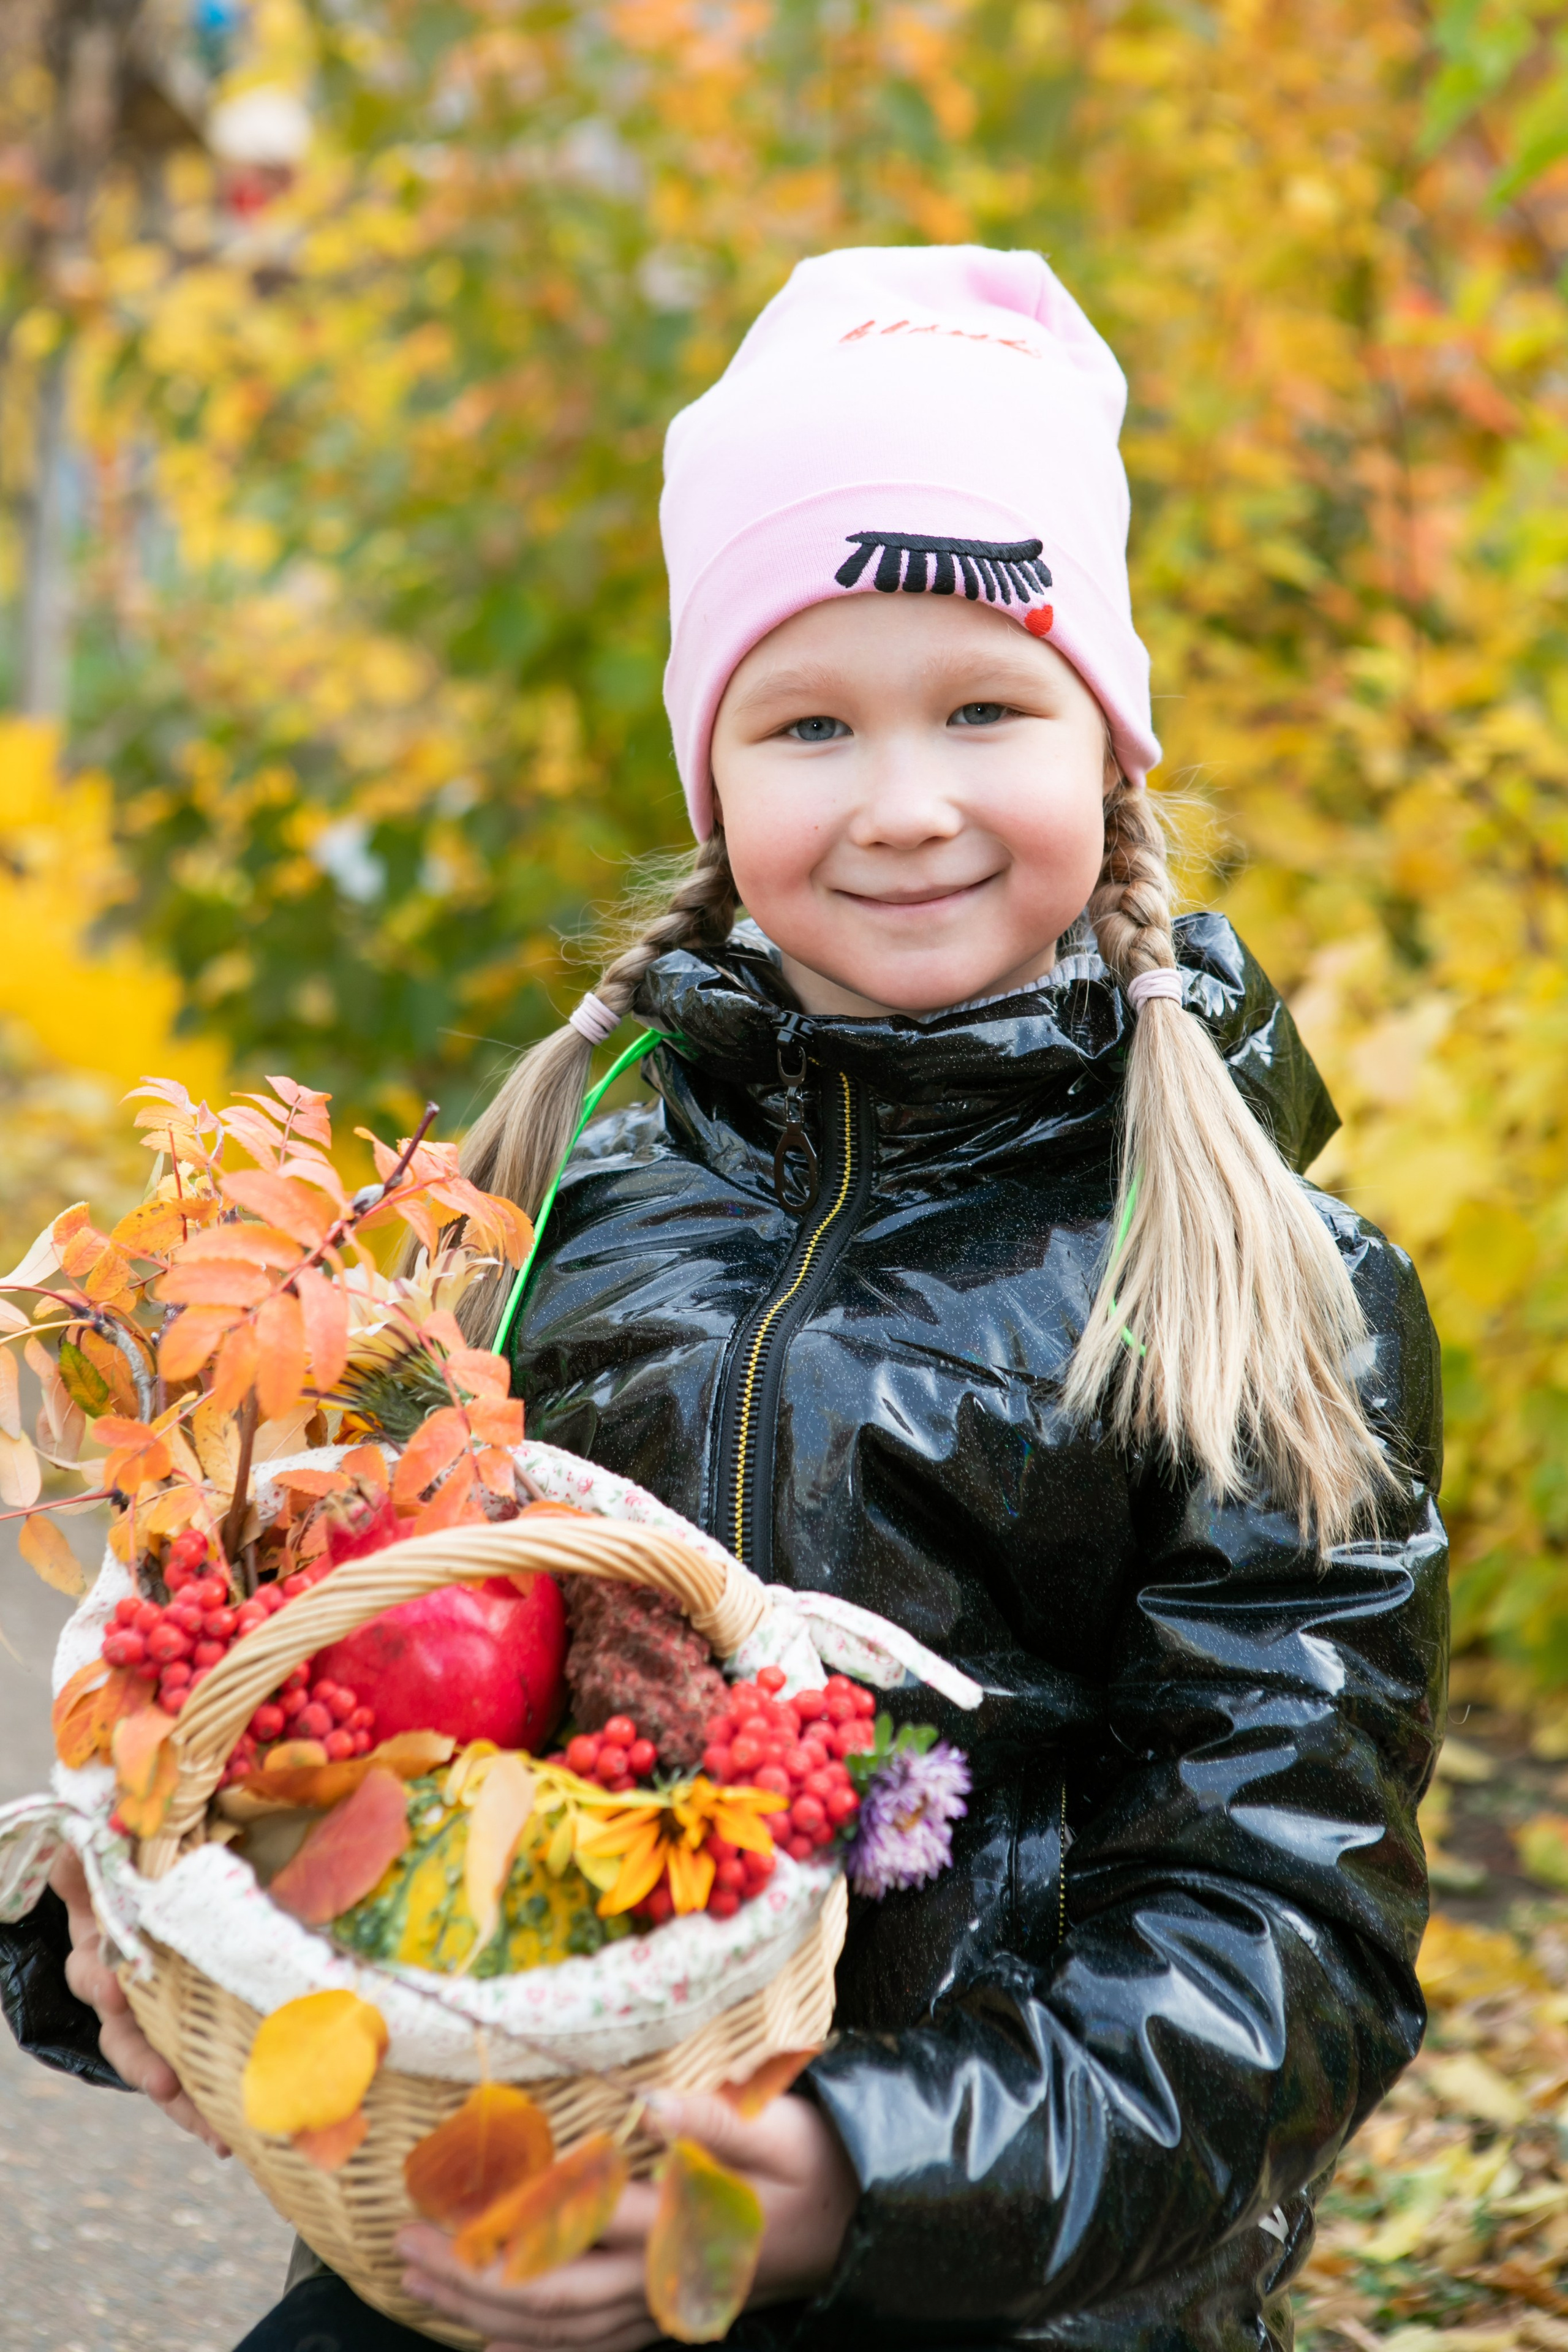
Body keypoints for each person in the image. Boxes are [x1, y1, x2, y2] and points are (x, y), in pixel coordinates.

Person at [2, 245, 1446, 2352]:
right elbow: (330, 1694)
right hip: (504, 2220)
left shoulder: (1261, 1293)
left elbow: (1286, 1934)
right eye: (808, 722)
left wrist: (869, 2167)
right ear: (714, 768)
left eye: (984, 706)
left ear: (1108, 743)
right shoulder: (546, 1193)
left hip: (1017, 2281)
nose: (903, 801)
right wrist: (134, 1943)